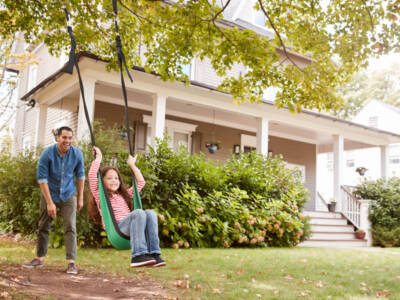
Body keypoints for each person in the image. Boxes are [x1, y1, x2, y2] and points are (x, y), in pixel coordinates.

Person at [88, 146, 165, 268]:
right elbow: (92, 176)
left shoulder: (124, 195)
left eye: (116, 178)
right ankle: (138, 255)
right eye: (109, 178)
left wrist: (132, 165)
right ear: (102, 181)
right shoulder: (101, 195)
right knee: (138, 213)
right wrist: (98, 159)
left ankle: (154, 253)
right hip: (117, 230)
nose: (114, 181)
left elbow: (140, 183)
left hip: (133, 228)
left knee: (150, 213)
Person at [23, 126, 85, 274]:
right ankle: (39, 258)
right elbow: (42, 179)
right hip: (49, 192)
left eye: (70, 138)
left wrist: (81, 197)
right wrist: (50, 202)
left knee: (70, 226)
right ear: (58, 137)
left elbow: (81, 176)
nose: (67, 141)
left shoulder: (77, 154)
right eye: (64, 137)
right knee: (44, 224)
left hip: (69, 194)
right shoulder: (47, 154)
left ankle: (71, 263)